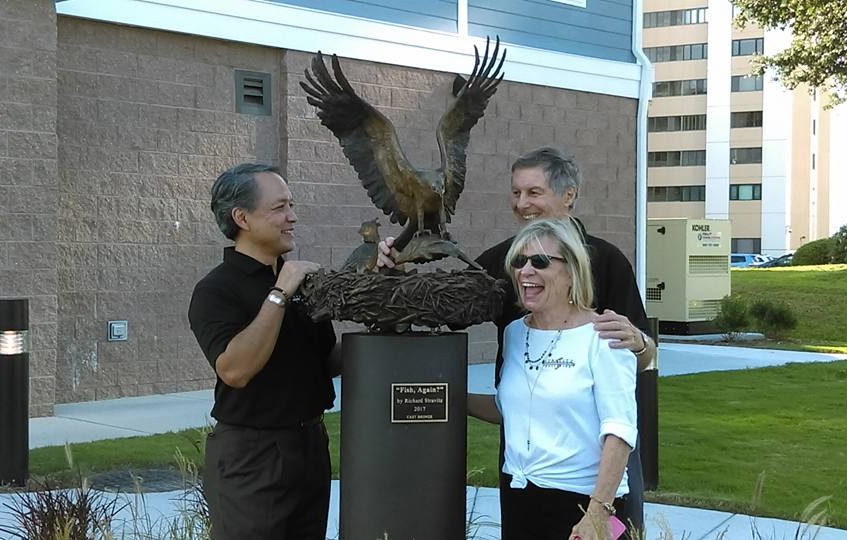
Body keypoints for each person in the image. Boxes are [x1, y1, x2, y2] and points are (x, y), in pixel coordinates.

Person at [378, 146, 655, 529]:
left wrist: (640, 344)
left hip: (590, 483)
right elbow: (439, 308)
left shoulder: (606, 265)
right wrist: (394, 266)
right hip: (522, 479)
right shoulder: (502, 275)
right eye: (516, 193)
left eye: (534, 192)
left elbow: (632, 382)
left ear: (568, 195)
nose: (522, 203)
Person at [188, 163, 339, 540]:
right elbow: (235, 371)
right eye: (279, 207)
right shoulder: (215, 290)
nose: (293, 217)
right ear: (242, 217)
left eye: (291, 205)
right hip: (252, 456)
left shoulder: (303, 283)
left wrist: (381, 320)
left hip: (310, 446)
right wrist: (280, 294)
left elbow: (327, 361)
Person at [468, 217, 638, 539]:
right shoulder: (515, 333)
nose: (526, 271)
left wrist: (598, 513)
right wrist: (450, 399)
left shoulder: (603, 335)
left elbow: (620, 431)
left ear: (572, 272)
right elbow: (515, 409)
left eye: (541, 261)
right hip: (521, 499)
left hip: (582, 505)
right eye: (519, 262)